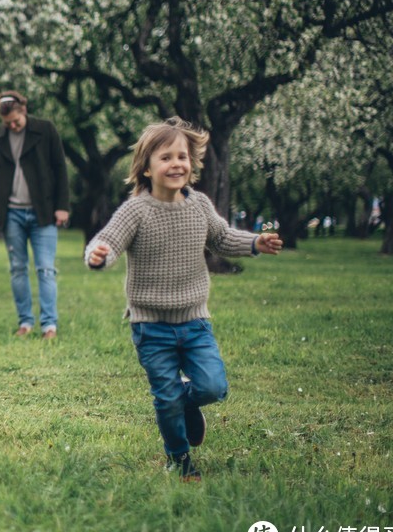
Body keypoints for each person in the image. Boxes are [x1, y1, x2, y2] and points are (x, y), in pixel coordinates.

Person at [84, 117, 283, 481]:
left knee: (213, 386)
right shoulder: (136, 211)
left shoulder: (200, 206)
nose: (176, 164)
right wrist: (99, 255)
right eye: (166, 157)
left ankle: (189, 406)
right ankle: (179, 458)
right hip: (150, 326)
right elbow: (108, 241)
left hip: (194, 322)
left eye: (182, 156)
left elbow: (222, 238)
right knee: (166, 397)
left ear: (191, 163)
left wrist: (255, 242)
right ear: (146, 167)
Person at [0, 90, 70, 339]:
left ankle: (49, 325)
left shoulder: (45, 130)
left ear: (24, 110)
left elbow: (60, 168)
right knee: (18, 268)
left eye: (16, 121)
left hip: (44, 211)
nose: (13, 126)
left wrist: (62, 206)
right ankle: (25, 322)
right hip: (11, 214)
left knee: (45, 268)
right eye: (7, 123)